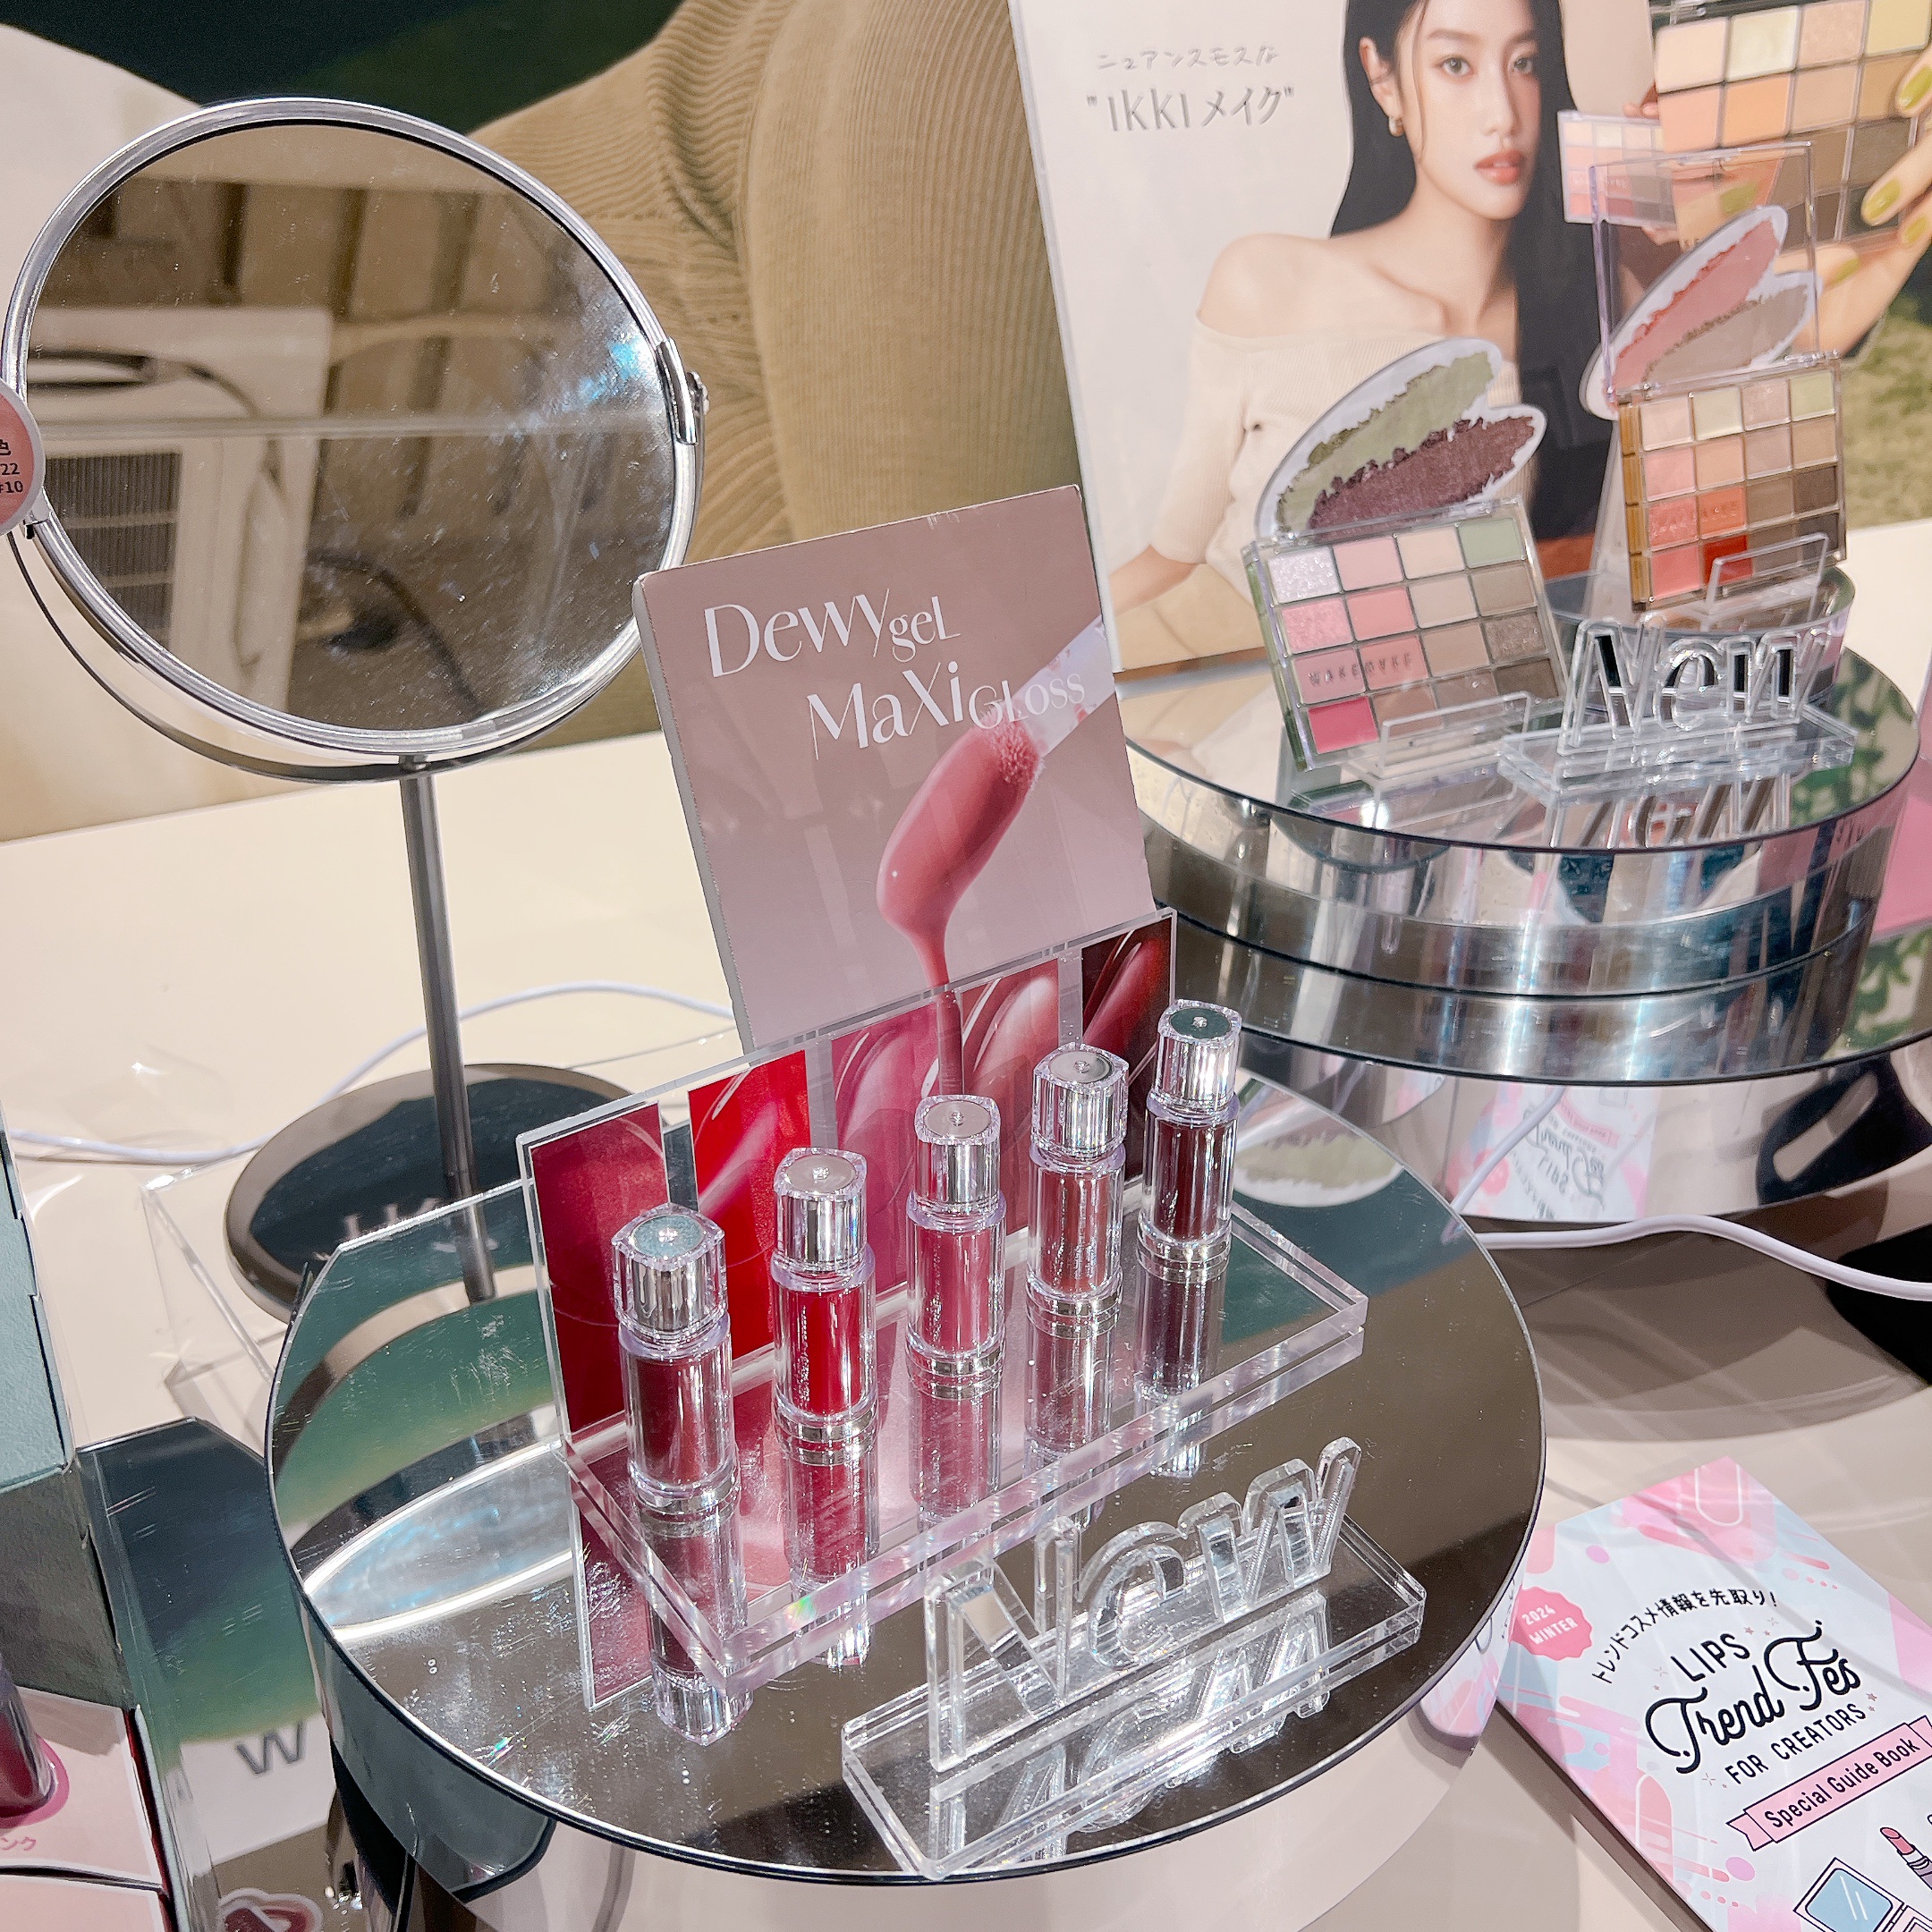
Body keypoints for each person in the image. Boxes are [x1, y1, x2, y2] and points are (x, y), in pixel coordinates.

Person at [1110, 0, 1607, 670]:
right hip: (1200, 676)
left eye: (1525, 64)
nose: (1502, 114)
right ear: (1383, 78)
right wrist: (1020, 669)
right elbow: (1171, 559)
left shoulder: (1585, 316)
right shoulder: (1267, 283)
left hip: (1408, 707)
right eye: (1455, 64)